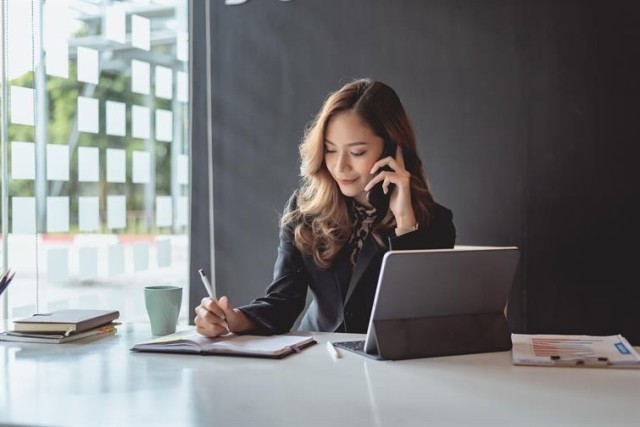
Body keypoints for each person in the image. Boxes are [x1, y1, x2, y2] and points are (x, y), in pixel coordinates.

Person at [195, 78, 456, 337]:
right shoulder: (304, 211)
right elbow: (282, 301)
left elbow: (419, 318)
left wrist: (404, 224)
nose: (340, 167)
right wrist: (234, 318)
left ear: (392, 149)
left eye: (357, 153)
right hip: (318, 358)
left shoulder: (435, 222)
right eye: (330, 150)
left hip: (388, 367)